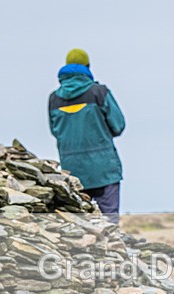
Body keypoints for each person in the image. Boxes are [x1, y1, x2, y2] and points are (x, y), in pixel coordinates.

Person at [49, 48, 125, 222]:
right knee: (109, 224)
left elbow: (55, 131)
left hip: (72, 170)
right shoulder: (99, 92)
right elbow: (118, 125)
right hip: (104, 169)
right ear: (87, 67)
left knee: (79, 226)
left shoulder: (54, 99)